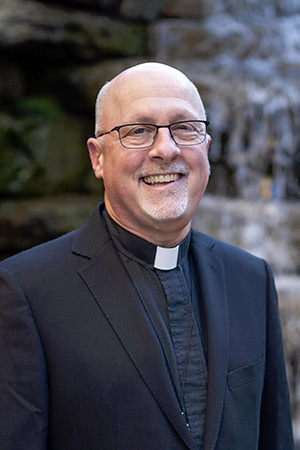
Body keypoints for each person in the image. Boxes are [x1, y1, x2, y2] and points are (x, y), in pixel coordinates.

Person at [0, 62, 294, 450]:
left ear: (205, 147)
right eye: (137, 131)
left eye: (184, 128)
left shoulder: (251, 278)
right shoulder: (27, 290)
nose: (165, 149)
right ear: (97, 157)